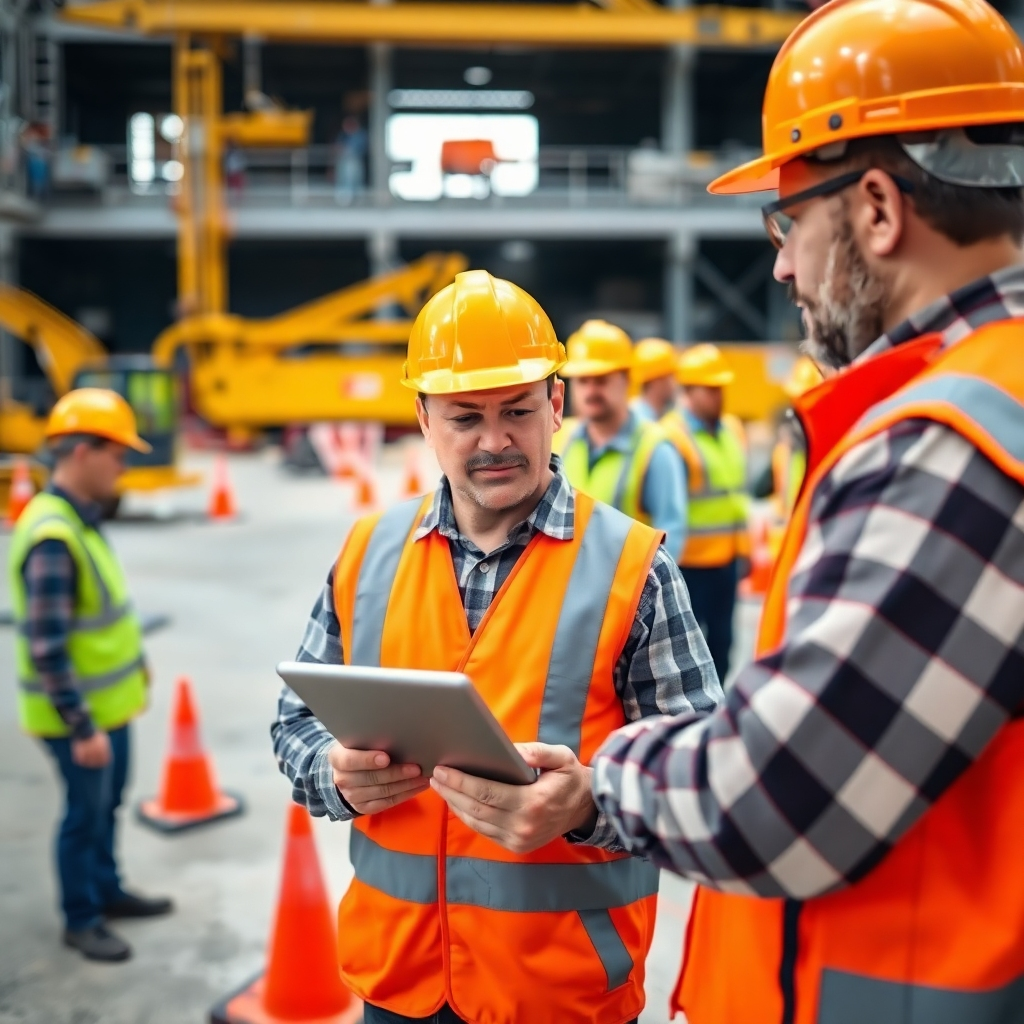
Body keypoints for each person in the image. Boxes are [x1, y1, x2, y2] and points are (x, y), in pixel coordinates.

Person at [587, 1, 1024, 1021]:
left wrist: (601, 773)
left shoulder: (955, 438)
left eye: (789, 223)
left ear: (876, 207)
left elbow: (779, 798)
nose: (780, 265)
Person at [272, 270, 720, 1024]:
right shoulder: (367, 553)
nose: (495, 440)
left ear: (556, 403)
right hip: (398, 980)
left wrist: (590, 803)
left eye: (517, 409)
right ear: (423, 418)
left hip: (559, 990)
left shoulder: (633, 569)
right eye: (464, 417)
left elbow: (701, 769)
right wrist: (334, 774)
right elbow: (295, 723)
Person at [8, 389, 173, 963]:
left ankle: (107, 891)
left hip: (107, 710)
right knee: (83, 815)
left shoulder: (77, 520)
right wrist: (81, 728)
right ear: (82, 452)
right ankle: (81, 918)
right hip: (79, 719)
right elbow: (47, 648)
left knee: (106, 806)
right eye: (117, 454)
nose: (124, 467)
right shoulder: (53, 537)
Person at [559, 320, 689, 561]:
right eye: (582, 381)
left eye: (601, 380)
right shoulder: (559, 439)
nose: (590, 392)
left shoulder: (655, 448)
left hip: (626, 591)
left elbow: (671, 534)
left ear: (627, 379)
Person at [663, 343, 749, 680]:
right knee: (688, 652)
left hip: (726, 560)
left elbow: (735, 498)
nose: (719, 396)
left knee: (724, 645)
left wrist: (745, 550)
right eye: (710, 389)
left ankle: (719, 713)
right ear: (687, 391)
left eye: (721, 389)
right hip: (688, 564)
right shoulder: (671, 436)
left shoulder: (731, 431)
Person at [630, 337, 678, 422]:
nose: (675, 382)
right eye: (671, 375)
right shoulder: (638, 421)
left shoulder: (660, 416)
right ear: (657, 380)